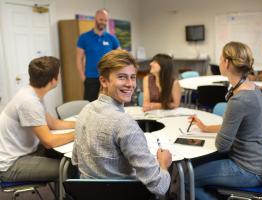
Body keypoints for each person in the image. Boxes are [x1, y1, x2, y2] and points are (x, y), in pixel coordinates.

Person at [72, 49, 172, 196]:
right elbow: (159, 186)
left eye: (132, 77)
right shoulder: (124, 123)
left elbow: (76, 160)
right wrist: (163, 164)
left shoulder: (85, 110)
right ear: (104, 81)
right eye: (122, 77)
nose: (130, 84)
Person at [188, 42, 262, 200]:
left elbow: (222, 145)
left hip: (249, 168)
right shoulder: (253, 88)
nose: (220, 61)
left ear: (226, 62)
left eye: (220, 58)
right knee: (194, 165)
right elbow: (238, 127)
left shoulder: (239, 99)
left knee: (187, 179)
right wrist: (206, 127)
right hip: (259, 160)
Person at [0, 56, 75, 182]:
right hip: (11, 164)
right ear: (53, 80)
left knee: (70, 159)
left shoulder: (33, 93)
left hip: (25, 151)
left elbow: (53, 124)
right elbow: (49, 141)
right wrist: (80, 132)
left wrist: (83, 123)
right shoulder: (29, 102)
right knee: (71, 167)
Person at [76, 9, 120, 102]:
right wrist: (82, 77)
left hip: (108, 78)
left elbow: (120, 56)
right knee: (90, 105)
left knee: (108, 105)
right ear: (95, 19)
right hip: (91, 78)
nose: (103, 22)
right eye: (101, 19)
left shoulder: (111, 38)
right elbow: (79, 59)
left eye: (105, 20)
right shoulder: (84, 37)